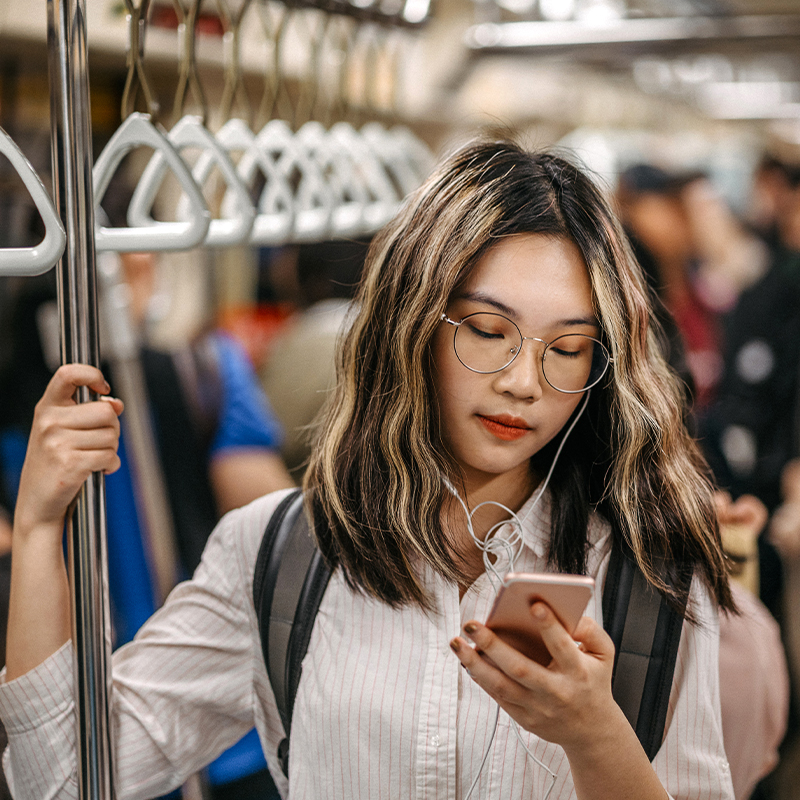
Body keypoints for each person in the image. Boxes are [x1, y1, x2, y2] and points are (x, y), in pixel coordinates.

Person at [0, 139, 735, 799]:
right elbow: (62, 781)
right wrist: (38, 529)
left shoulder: (650, 570)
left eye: (567, 349)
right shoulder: (281, 555)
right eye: (487, 332)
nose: (524, 381)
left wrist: (593, 735)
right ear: (410, 325)